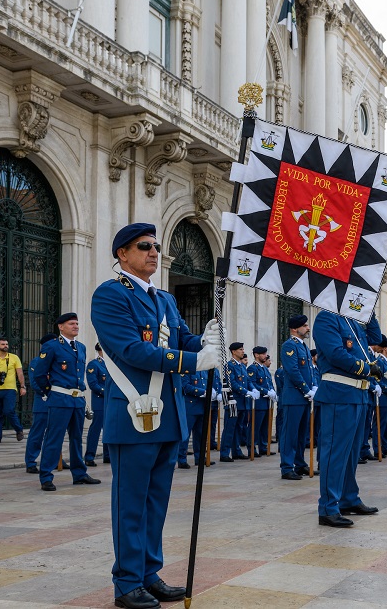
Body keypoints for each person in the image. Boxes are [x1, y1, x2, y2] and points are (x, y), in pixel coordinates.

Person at [91, 222, 222, 609]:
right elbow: (131, 349)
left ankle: (149, 573)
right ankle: (127, 582)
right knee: (130, 504)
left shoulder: (164, 299)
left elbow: (181, 339)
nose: (153, 252)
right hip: (134, 413)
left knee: (156, 503)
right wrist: (195, 359)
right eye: (143, 246)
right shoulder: (111, 295)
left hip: (169, 415)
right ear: (122, 254)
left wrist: (207, 339)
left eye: (156, 246)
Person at [311, 309, 382, 527]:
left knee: (351, 453)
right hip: (339, 393)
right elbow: (335, 353)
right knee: (335, 453)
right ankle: (328, 507)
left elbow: (376, 338)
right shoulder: (326, 318)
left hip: (358, 395)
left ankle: (348, 498)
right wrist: (365, 368)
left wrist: (370, 311)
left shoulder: (351, 322)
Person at [31, 312, 101, 490]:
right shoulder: (52, 346)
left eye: (77, 323)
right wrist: (51, 392)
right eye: (71, 324)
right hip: (60, 398)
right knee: (54, 438)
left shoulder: (82, 347)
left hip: (77, 400)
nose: (76, 326)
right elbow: (39, 374)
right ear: (61, 327)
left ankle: (79, 473)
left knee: (77, 438)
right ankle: (46, 476)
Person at [279, 314, 314, 480]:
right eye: (305, 325)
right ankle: (286, 467)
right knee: (290, 434)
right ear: (295, 329)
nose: (307, 328)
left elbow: (309, 370)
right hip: (294, 396)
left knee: (302, 434)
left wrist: (313, 386)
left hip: (304, 397)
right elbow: (293, 370)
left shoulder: (304, 346)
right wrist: (306, 389)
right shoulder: (289, 346)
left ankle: (300, 464)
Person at [25, 333, 56, 474]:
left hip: (57, 402)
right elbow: (35, 383)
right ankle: (31, 461)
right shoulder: (37, 362)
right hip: (43, 401)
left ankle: (55, 460)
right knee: (37, 434)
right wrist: (51, 392)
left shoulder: (58, 361)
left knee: (55, 434)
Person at [221, 342, 248, 461]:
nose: (243, 351)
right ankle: (225, 453)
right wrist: (245, 391)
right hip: (233, 401)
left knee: (238, 428)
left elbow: (247, 381)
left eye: (243, 349)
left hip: (242, 402)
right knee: (229, 428)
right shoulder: (229, 365)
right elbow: (232, 383)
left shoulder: (242, 366)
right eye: (240, 349)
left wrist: (252, 390)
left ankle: (236, 451)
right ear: (233, 351)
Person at [86, 343, 112, 467]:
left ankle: (107, 455)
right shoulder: (94, 365)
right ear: (99, 351)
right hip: (100, 400)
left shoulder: (111, 365)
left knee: (109, 428)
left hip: (110, 401)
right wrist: (106, 393)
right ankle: (89, 456)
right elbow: (93, 384)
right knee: (96, 429)